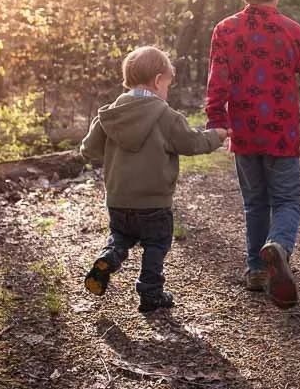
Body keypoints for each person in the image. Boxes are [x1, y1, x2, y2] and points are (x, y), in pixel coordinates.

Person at [205, 0, 300, 309]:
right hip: (281, 135)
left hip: (245, 134)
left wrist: (217, 121)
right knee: (286, 200)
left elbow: (216, 81)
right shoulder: (293, 32)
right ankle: (278, 246)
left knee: (254, 204)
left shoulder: (225, 30)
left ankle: (256, 270)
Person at [81, 45, 228, 313]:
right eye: (168, 84)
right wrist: (216, 136)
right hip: (154, 203)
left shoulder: (109, 115)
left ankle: (109, 257)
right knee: (156, 244)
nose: (167, 90)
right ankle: (150, 294)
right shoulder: (165, 116)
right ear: (158, 80)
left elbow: (88, 150)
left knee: (121, 236)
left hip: (118, 199)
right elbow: (192, 143)